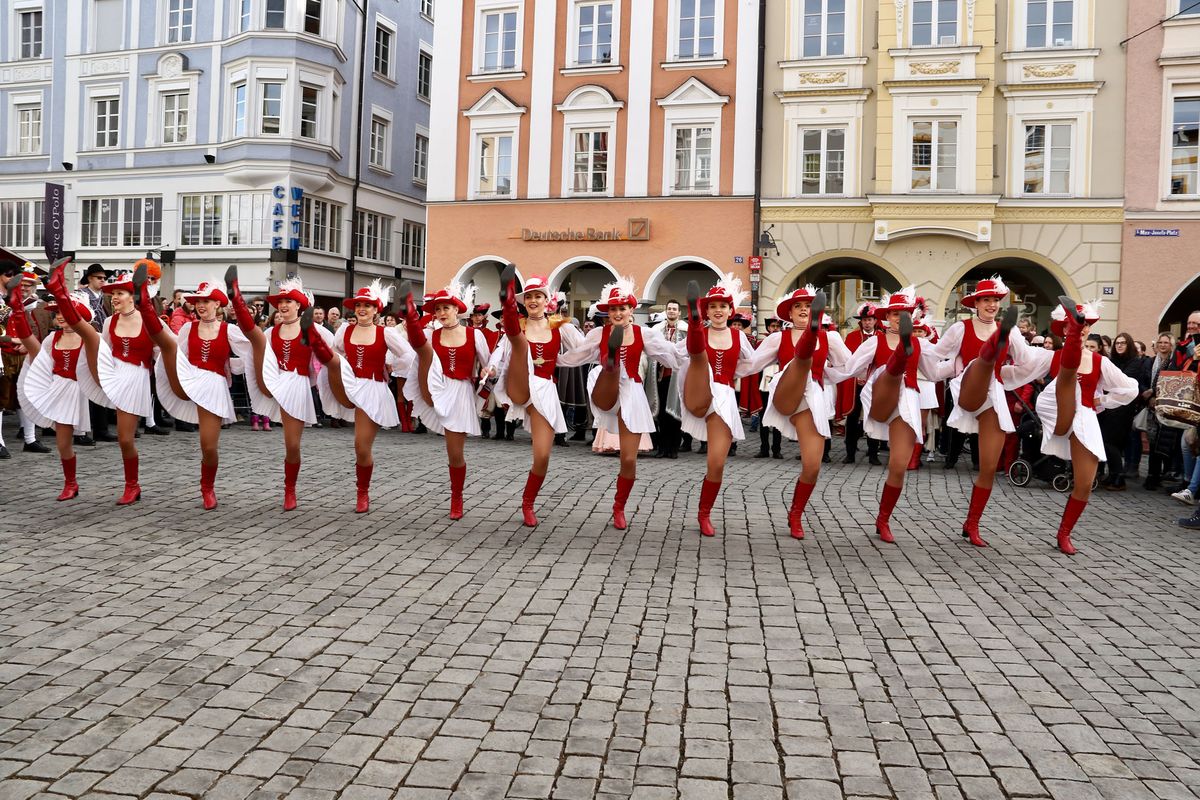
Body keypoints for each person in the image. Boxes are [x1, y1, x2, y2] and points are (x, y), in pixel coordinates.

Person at [999, 298, 1139, 554]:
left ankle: (1064, 533)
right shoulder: (1050, 356)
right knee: (1066, 371)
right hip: (1057, 409)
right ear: (1064, 330)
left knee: (1085, 483)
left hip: (1084, 416)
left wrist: (1102, 400)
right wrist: (1007, 338)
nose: (1083, 329)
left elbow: (1130, 389)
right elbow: (1022, 363)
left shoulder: (1099, 361)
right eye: (1075, 325)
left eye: (1085, 325)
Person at [558, 277, 681, 530]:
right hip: (606, 387)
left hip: (632, 392)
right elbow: (577, 354)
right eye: (613, 309)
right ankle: (611, 363)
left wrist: (698, 352)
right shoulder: (598, 333)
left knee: (628, 460)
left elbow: (670, 355)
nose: (617, 313)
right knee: (607, 373)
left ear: (631, 310)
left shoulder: (644, 334)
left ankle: (619, 506)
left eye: (622, 308)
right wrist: (553, 357)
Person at [827, 287, 940, 543]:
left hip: (906, 402)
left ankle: (883, 519)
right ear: (887, 317)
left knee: (898, 466)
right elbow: (850, 368)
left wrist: (965, 366)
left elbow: (935, 373)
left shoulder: (921, 344)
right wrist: (822, 375)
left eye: (906, 314)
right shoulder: (874, 342)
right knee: (891, 372)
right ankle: (899, 357)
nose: (900, 318)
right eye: (895, 314)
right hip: (882, 396)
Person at [922, 277, 1023, 547]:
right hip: (968, 388)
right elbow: (934, 355)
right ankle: (989, 353)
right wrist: (938, 364)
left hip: (993, 395)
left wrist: (1055, 360)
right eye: (986, 299)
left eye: (996, 300)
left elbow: (1026, 360)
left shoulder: (1012, 332)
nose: (992, 304)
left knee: (988, 466)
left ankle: (972, 523)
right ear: (975, 303)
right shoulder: (960, 328)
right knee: (981, 364)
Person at [743, 287, 851, 539]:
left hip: (811, 400)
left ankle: (796, 513)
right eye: (798, 306)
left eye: (809, 306)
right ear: (789, 313)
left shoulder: (831, 338)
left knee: (812, 466)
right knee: (800, 363)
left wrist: (826, 375)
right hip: (786, 392)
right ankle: (807, 343)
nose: (803, 309)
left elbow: (848, 366)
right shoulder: (777, 338)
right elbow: (751, 365)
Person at [165, 275, 268, 509]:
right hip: (191, 382)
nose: (201, 305)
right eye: (198, 301)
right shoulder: (188, 329)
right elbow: (177, 357)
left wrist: (237, 366)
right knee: (205, 443)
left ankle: (207, 486)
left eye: (207, 301)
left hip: (213, 386)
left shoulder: (228, 330)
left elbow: (252, 350)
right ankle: (206, 488)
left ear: (217, 304)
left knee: (209, 446)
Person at [492, 270, 585, 526]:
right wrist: (491, 367)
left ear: (546, 300)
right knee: (516, 338)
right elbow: (500, 352)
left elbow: (583, 349)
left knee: (542, 456)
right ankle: (506, 297)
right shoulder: (518, 326)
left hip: (544, 389)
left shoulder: (559, 325)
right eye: (529, 297)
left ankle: (528, 503)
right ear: (524, 302)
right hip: (520, 381)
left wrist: (564, 360)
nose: (533, 301)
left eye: (537, 296)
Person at [398, 281, 493, 519]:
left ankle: (456, 497)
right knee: (450, 450)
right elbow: (418, 353)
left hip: (460, 393)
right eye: (438, 309)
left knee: (454, 452)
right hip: (437, 388)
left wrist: (486, 371)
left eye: (446, 308)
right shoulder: (430, 335)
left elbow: (489, 365)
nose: (441, 313)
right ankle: (456, 496)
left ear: (457, 309)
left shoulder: (475, 335)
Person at [319, 280, 415, 512]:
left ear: (376, 310)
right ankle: (361, 491)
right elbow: (336, 352)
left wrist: (391, 365)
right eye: (359, 305)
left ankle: (363, 492)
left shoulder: (385, 333)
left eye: (367, 305)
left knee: (361, 446)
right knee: (358, 445)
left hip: (372, 390)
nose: (362, 309)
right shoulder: (345, 330)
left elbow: (408, 355)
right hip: (350, 385)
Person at [673, 276, 759, 537]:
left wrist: (733, 374)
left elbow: (752, 363)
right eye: (713, 306)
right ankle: (694, 322)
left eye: (723, 306)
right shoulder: (702, 334)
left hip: (724, 397)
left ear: (731, 311)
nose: (718, 310)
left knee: (716, 462)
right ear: (707, 311)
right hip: (700, 388)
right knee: (696, 349)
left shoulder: (739, 336)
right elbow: (674, 354)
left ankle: (704, 513)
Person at [9, 279, 108, 499]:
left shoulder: (90, 338)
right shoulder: (52, 338)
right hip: (57, 389)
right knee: (62, 444)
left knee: (69, 441)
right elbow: (38, 356)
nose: (60, 316)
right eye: (57, 313)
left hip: (78, 390)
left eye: (65, 312)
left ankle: (128, 482)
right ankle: (70, 483)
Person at [257, 277, 346, 511]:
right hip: (276, 383)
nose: (283, 305)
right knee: (289, 443)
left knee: (292, 445)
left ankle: (290, 489)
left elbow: (335, 352)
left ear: (299, 305)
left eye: (288, 301)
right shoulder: (270, 332)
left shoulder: (316, 329)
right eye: (280, 302)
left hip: (297, 385)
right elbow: (258, 356)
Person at [1098, 332, 1149, 491]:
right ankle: (1113, 474)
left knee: (1110, 441)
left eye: (1123, 343)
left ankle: (1119, 478)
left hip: (1123, 408)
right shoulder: (1111, 361)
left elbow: (1122, 384)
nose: (1119, 345)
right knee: (1108, 442)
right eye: (1117, 343)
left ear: (1129, 345)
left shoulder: (1135, 362)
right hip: (1109, 405)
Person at [840, 303, 881, 465]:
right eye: (864, 320)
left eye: (870, 319)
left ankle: (873, 454)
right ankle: (850, 453)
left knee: (873, 417)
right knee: (852, 417)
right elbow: (847, 361)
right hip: (855, 383)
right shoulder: (852, 337)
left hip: (874, 383)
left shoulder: (882, 337)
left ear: (875, 320)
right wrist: (855, 376)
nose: (867, 323)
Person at [650, 299, 689, 458]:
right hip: (660, 377)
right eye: (669, 308)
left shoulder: (686, 330)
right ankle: (662, 448)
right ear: (666, 311)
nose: (672, 311)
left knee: (675, 414)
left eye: (674, 309)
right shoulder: (657, 330)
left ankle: (673, 448)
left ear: (679, 312)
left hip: (678, 377)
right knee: (662, 415)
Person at [754, 316, 785, 459]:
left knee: (778, 416)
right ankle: (764, 448)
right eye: (773, 326)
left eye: (777, 326)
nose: (775, 329)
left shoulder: (785, 342)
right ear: (768, 328)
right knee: (763, 417)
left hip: (780, 382)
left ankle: (777, 449)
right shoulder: (762, 343)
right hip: (764, 383)